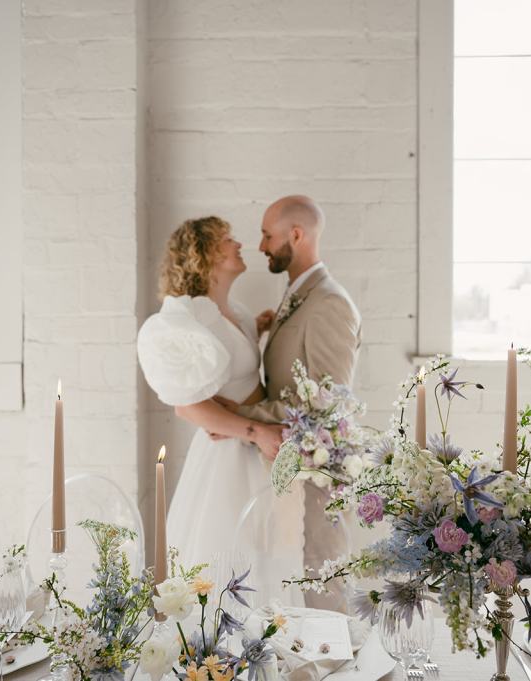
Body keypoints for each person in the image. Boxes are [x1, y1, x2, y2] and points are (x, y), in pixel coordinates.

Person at [136, 216, 304, 603]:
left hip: (258, 450)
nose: (238, 244)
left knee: (266, 555)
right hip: (230, 453)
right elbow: (187, 407)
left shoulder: (231, 309)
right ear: (205, 253)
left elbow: (230, 361)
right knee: (231, 557)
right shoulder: (185, 318)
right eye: (227, 239)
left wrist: (259, 328)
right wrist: (255, 430)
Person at [224, 195, 362, 612]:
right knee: (294, 585)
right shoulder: (298, 295)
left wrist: (235, 415)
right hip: (290, 470)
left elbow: (322, 405)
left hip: (319, 479)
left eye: (268, 235)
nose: (261, 246)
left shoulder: (329, 303)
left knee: (323, 583)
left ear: (296, 235)